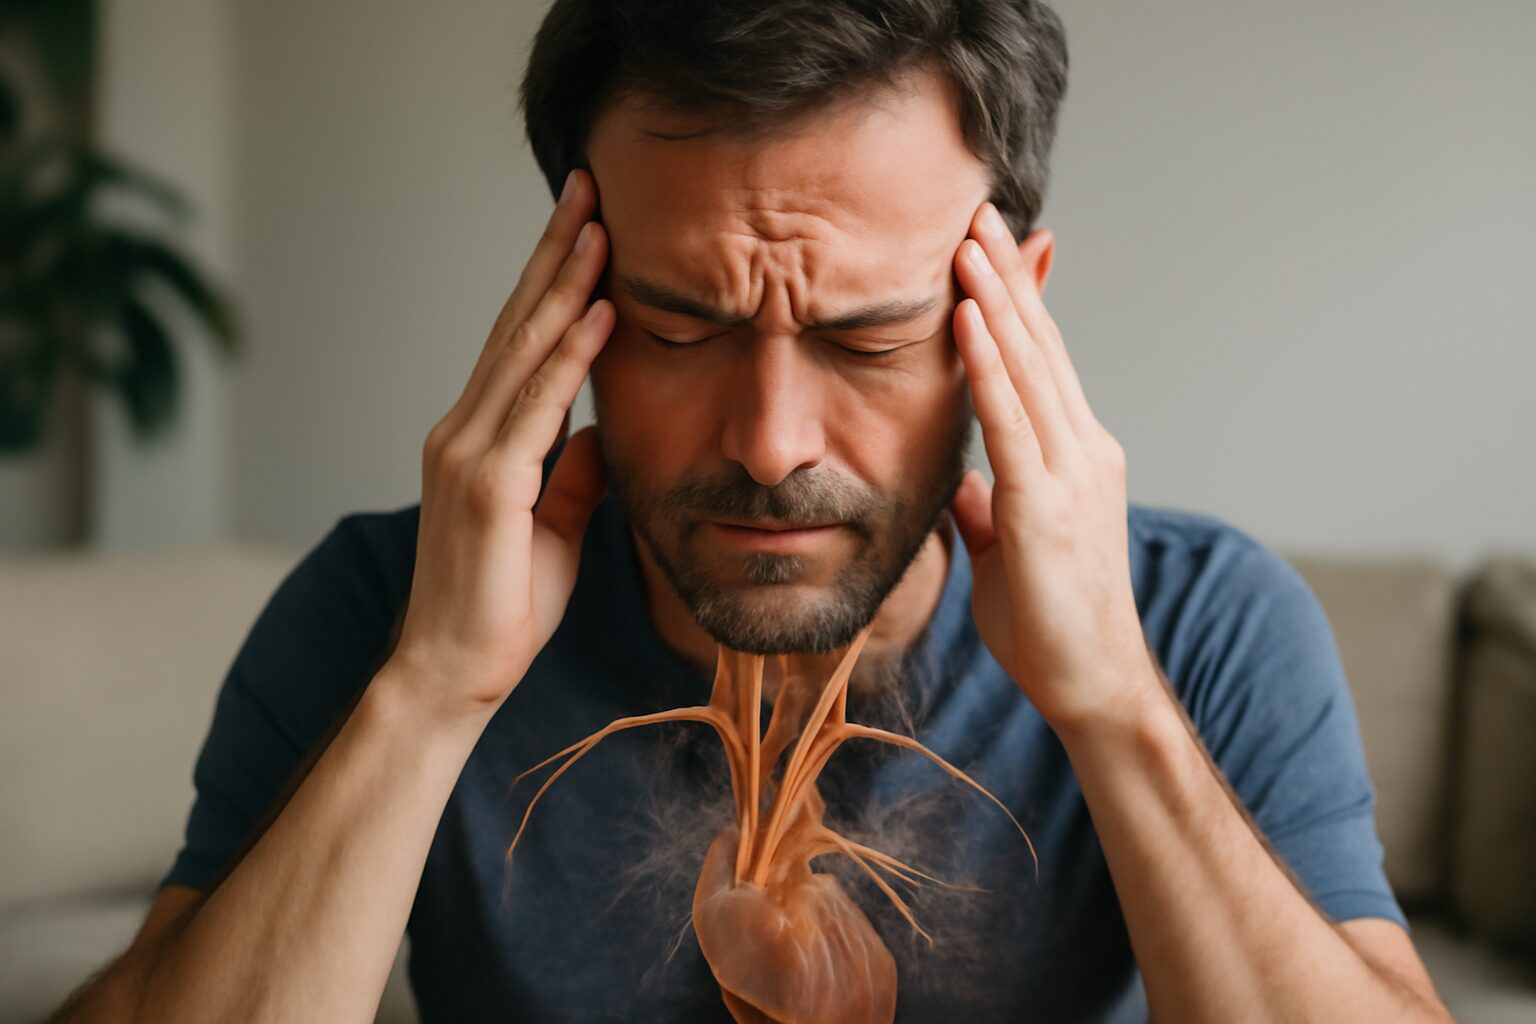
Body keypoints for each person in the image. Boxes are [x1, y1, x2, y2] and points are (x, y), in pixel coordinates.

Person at [52, 1, 1452, 1021]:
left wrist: (1114, 707)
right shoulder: (384, 611)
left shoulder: (1206, 623)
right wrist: (430, 692)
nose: (773, 446)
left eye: (866, 337)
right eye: (676, 325)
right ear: (569, 309)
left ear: (1008, 314)